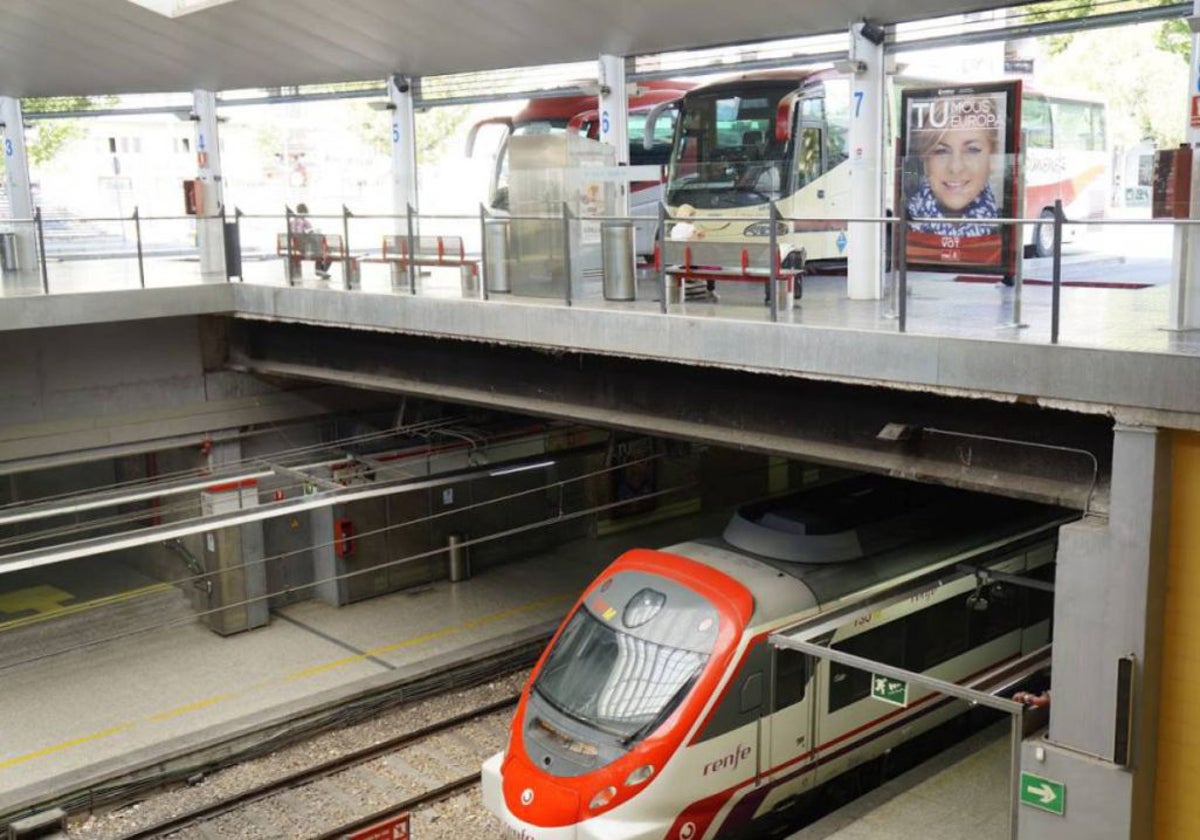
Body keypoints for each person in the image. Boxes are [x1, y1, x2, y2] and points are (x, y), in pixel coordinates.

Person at [906, 98, 1001, 237]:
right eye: (941, 151)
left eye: (972, 150)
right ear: (925, 159)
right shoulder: (904, 222)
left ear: (993, 156)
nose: (955, 167)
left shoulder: (1006, 225)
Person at [290, 202, 332, 279]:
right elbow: (300, 234)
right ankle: (319, 269)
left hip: (297, 247)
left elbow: (297, 234)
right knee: (327, 253)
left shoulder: (293, 221)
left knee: (321, 249)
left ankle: (320, 270)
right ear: (304, 212)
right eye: (305, 212)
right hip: (305, 247)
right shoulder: (302, 221)